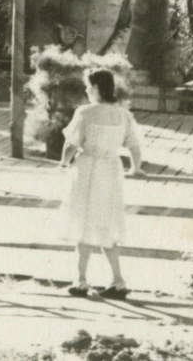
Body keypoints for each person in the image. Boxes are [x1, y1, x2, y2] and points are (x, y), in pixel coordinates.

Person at [59, 69, 144, 300]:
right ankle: (118, 281)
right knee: (108, 222)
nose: (86, 90)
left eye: (88, 87)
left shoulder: (85, 112)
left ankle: (81, 279)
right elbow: (134, 145)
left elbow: (71, 145)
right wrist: (136, 168)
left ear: (95, 88)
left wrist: (64, 163)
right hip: (111, 170)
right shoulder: (123, 115)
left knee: (83, 220)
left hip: (88, 169)